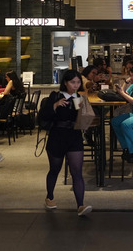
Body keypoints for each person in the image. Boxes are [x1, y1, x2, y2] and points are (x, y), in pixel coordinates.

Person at [37, 69, 93, 217]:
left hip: (74, 136)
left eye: (78, 82)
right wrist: (55, 105)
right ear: (65, 83)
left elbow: (83, 120)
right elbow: (43, 115)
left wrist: (85, 113)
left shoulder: (79, 98)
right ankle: (49, 197)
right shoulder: (55, 96)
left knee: (77, 172)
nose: (75, 85)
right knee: (55, 169)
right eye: (72, 82)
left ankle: (80, 205)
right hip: (57, 136)